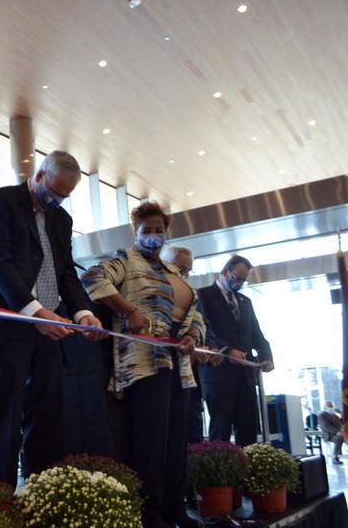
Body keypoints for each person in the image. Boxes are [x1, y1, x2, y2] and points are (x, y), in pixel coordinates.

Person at [0, 151, 104, 487]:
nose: (56, 200)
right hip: (6, 326)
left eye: (64, 196)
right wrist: (35, 313)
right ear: (40, 175)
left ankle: (42, 492)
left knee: (48, 416)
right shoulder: (2, 201)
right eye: (53, 192)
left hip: (49, 327)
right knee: (5, 419)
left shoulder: (61, 220)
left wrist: (84, 313)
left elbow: (66, 272)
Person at [82, 202, 204, 528]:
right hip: (144, 363)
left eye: (158, 230)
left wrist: (193, 334)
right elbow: (92, 277)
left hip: (178, 365)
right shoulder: (126, 260)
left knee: (177, 442)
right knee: (150, 442)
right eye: (146, 231)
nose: (153, 236)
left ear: (167, 233)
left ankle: (174, 508)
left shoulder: (174, 271)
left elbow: (197, 314)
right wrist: (128, 310)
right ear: (136, 232)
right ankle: (149, 514)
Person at [197, 255, 274, 447]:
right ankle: (220, 475)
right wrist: (228, 351)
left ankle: (247, 475)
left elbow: (256, 333)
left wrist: (267, 357)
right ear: (224, 272)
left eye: (243, 280)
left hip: (246, 376)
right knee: (220, 433)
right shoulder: (203, 295)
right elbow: (204, 330)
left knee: (248, 430)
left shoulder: (245, 301)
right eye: (236, 278)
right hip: (218, 376)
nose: (239, 283)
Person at [160, 246, 206, 445]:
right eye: (181, 269)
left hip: (183, 373)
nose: (185, 275)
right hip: (155, 369)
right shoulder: (149, 287)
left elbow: (199, 321)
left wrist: (194, 336)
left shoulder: (189, 294)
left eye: (189, 271)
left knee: (184, 434)